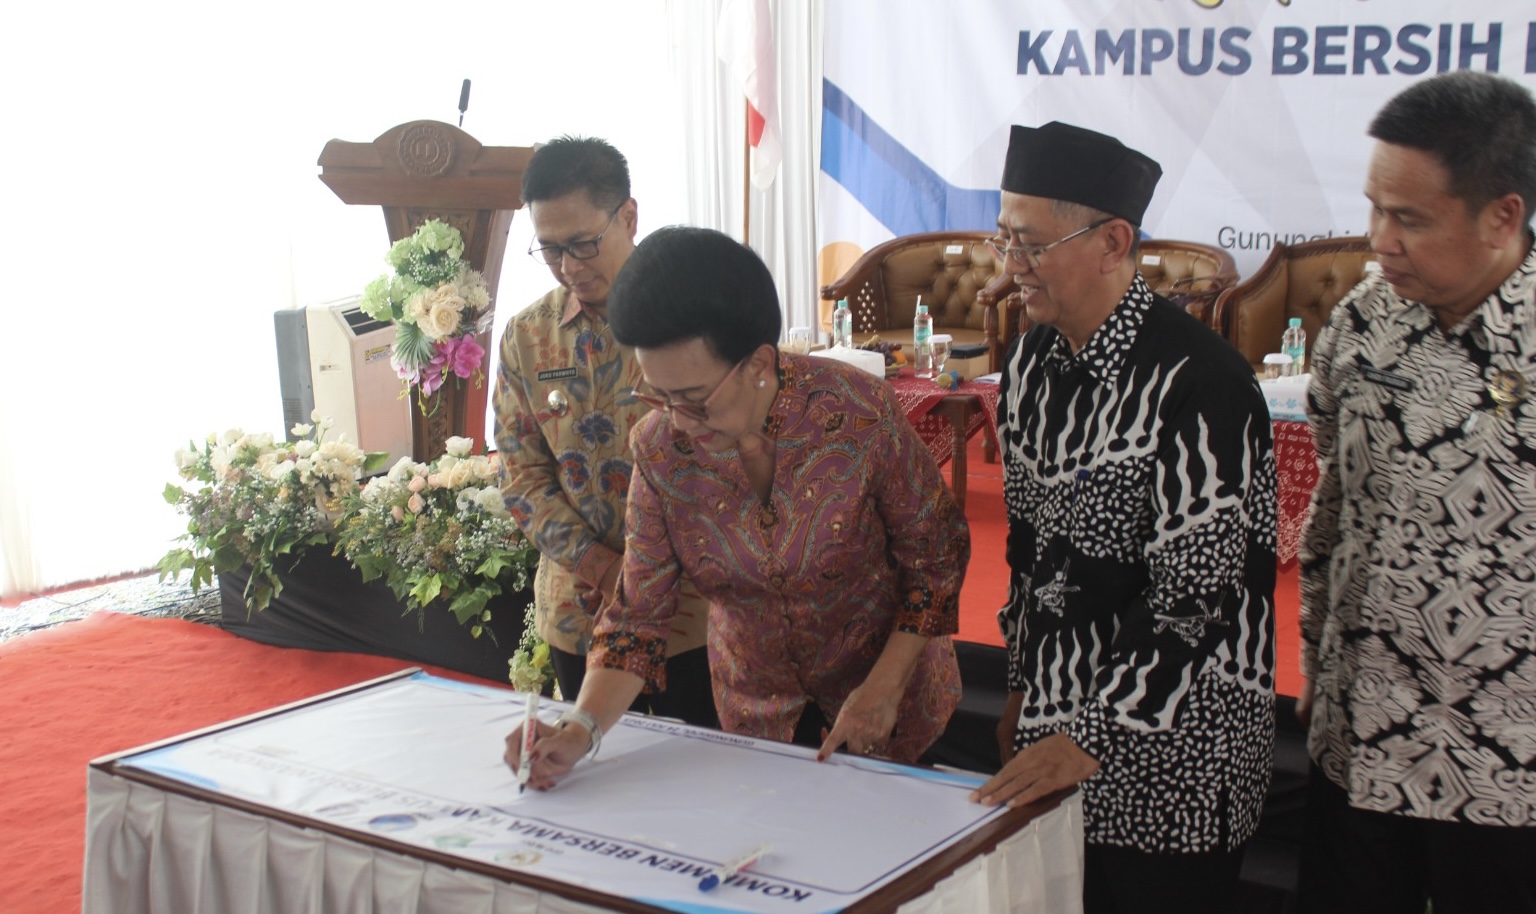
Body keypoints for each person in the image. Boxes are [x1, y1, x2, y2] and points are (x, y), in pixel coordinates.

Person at [506, 226, 968, 786]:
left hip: (893, 707)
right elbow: (637, 613)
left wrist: (886, 686)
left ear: (758, 364)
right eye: (660, 397)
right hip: (758, 721)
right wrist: (578, 730)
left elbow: (935, 558)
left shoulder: (858, 412)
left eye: (694, 400)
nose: (678, 421)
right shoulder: (660, 449)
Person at [972, 121, 1277, 914]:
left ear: (1112, 242)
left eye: (1031, 245)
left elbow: (1196, 593)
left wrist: (1090, 737)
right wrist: (1021, 687)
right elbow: (1030, 550)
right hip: (1056, 734)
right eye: (1004, 240)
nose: (1010, 267)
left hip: (1178, 756)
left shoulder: (1202, 381)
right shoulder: (1031, 362)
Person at [1296, 71, 1536, 914]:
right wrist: (1316, 662)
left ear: (1502, 216)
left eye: (1410, 219)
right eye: (1374, 210)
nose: (1380, 242)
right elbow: (1331, 512)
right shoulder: (1364, 322)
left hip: (1509, 763)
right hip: (1358, 734)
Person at [493, 136, 716, 728]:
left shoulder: (697, 317)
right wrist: (601, 566)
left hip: (695, 615)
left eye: (583, 243)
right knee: (595, 765)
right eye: (550, 249)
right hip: (581, 612)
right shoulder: (527, 336)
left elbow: (733, 455)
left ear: (629, 217)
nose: (569, 266)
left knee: (706, 771)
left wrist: (649, 575)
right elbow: (521, 479)